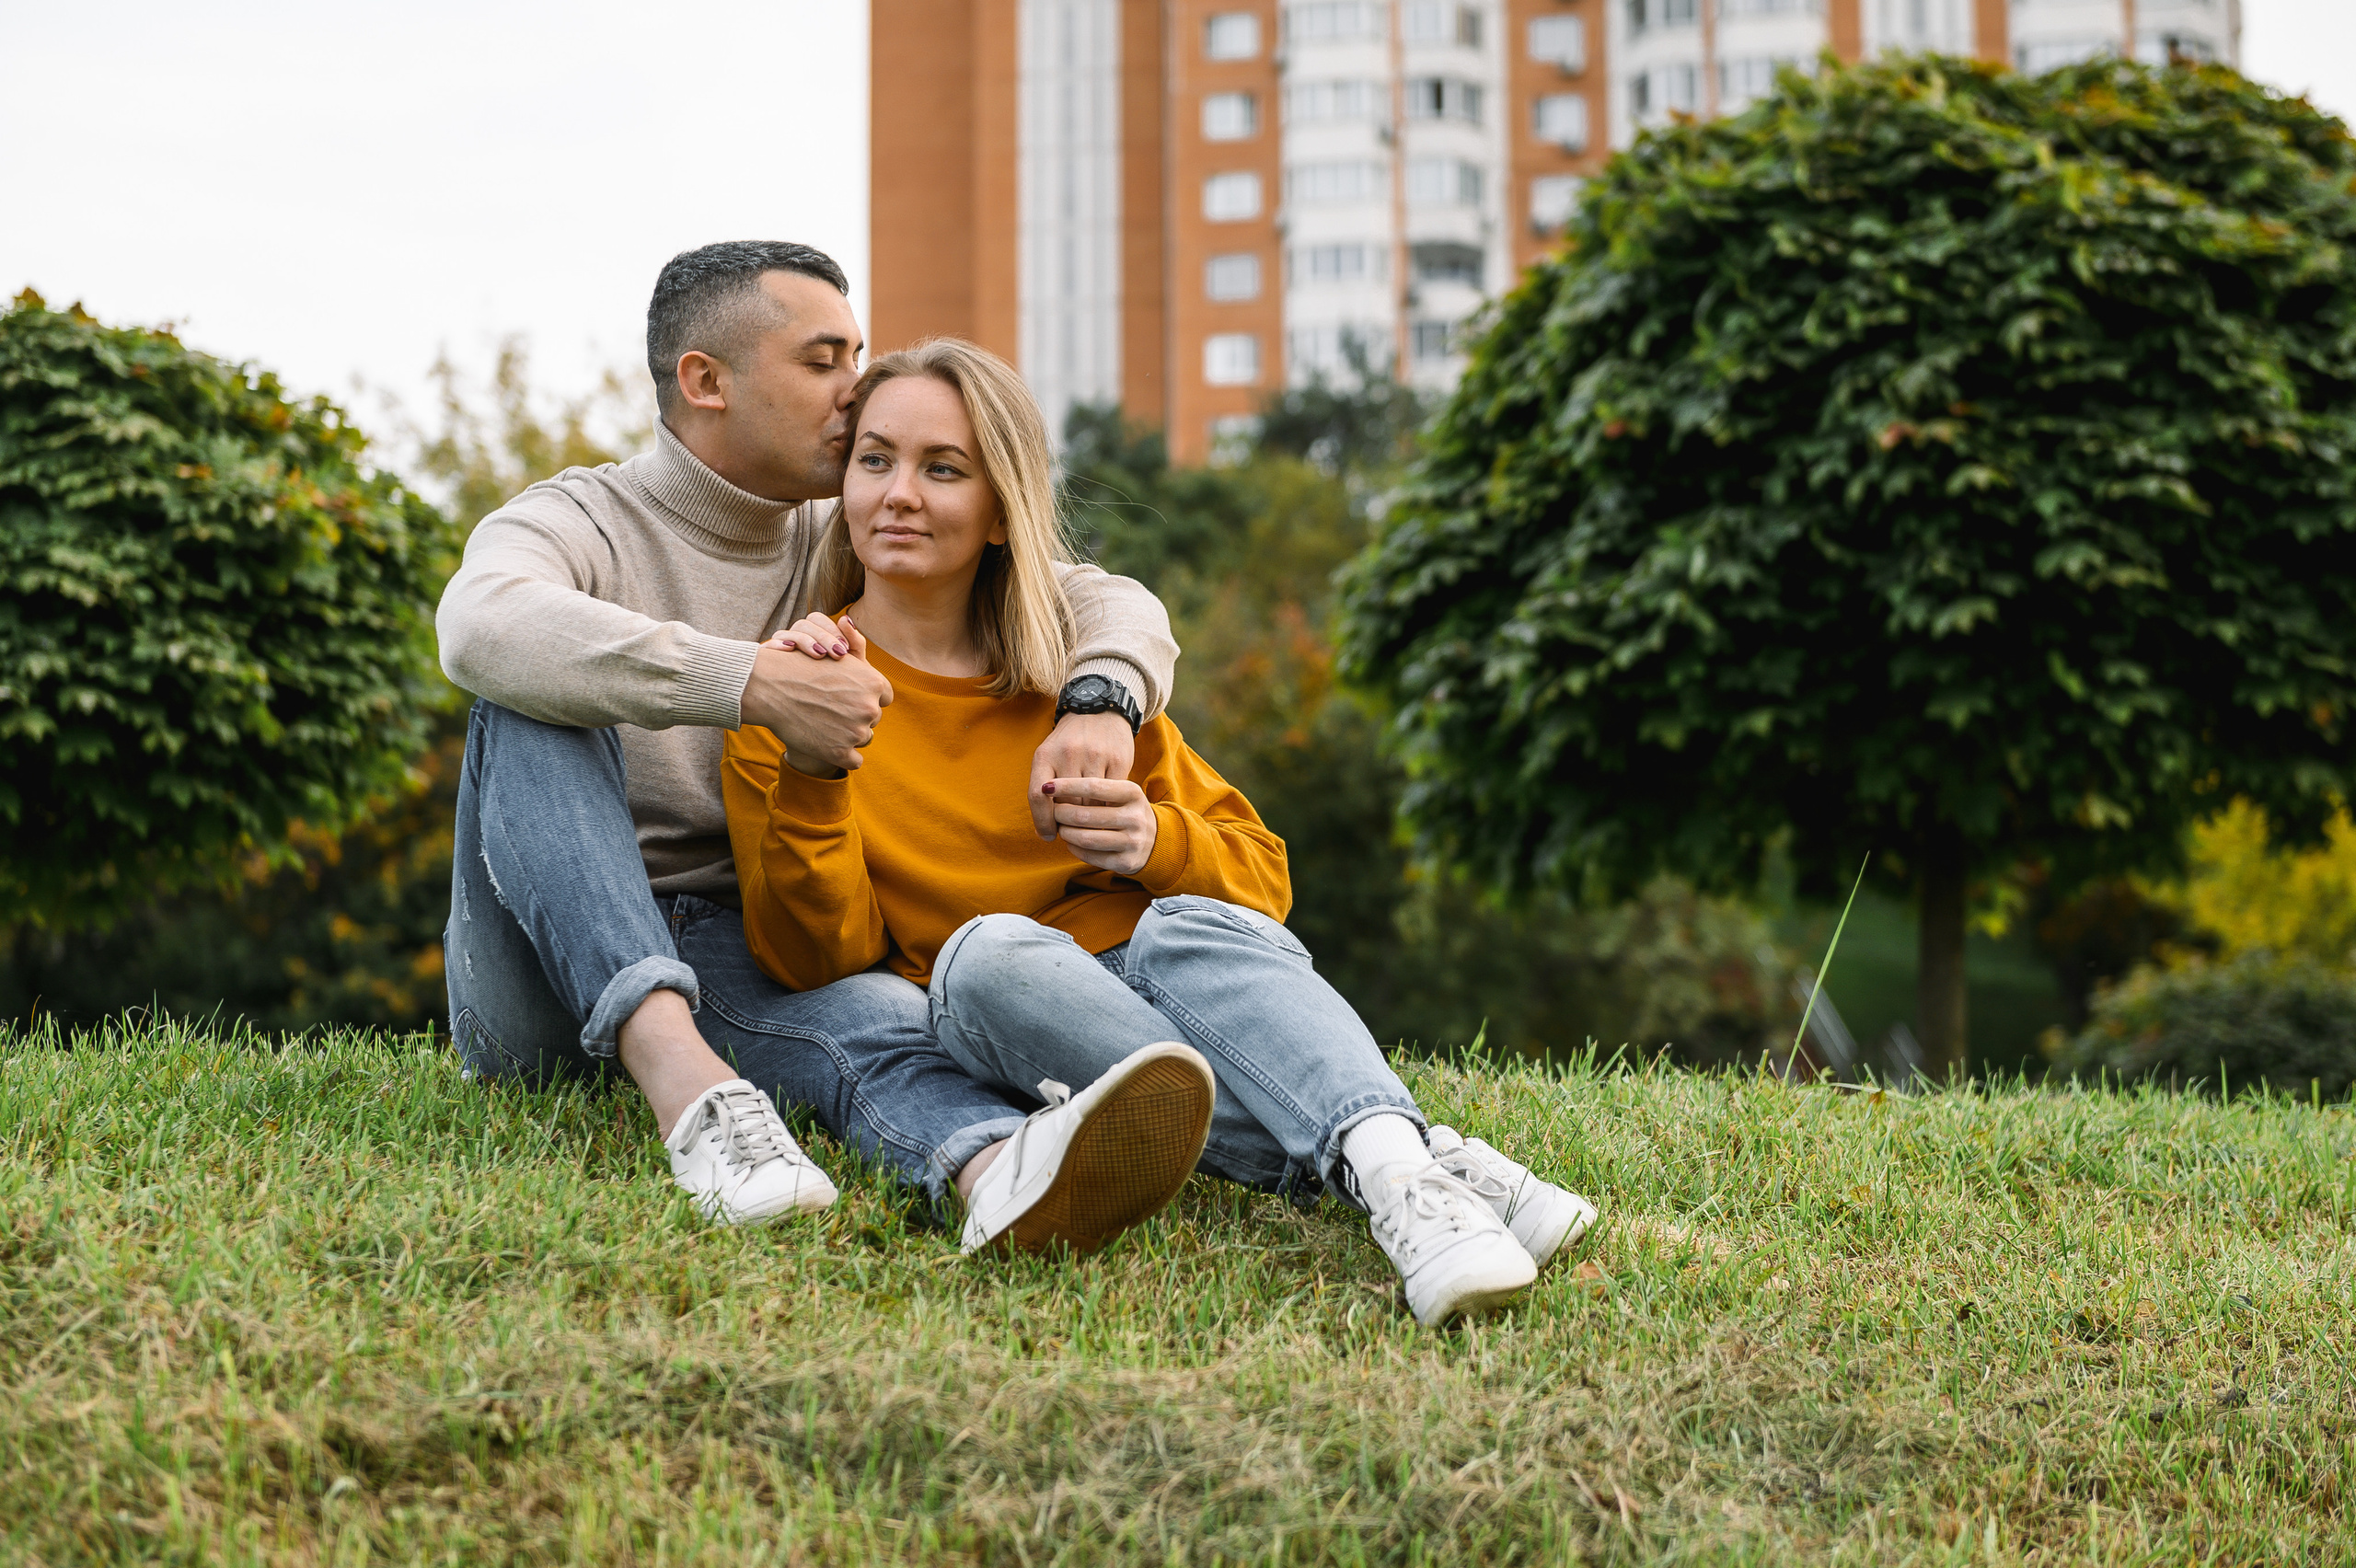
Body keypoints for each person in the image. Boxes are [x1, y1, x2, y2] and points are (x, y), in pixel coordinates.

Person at [722, 339, 1599, 1326]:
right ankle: (1414, 1152)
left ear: (1004, 509)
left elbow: (1262, 890)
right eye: (874, 459)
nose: (899, 494)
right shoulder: (798, 688)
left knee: (1183, 928)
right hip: (1024, 1009)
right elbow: (815, 956)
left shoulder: (1084, 686)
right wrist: (816, 763)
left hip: (1184, 982)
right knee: (984, 957)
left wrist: (1150, 842)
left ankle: (1402, 1176)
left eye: (943, 468)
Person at [435, 240, 1207, 1247]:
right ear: (706, 381)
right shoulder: (581, 520)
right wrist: (749, 682)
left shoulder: (843, 526)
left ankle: (997, 1174)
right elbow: (479, 625)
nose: (857, 394)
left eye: (857, 356)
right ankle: (684, 1087)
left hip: (749, 947)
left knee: (886, 1018)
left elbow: (1105, 598)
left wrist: (1100, 699)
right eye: (824, 360)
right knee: (528, 694)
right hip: (542, 971)